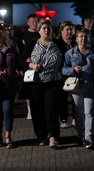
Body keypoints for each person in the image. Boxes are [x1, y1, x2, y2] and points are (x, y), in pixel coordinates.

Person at [20, 19, 63, 148]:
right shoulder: (32, 44)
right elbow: (22, 60)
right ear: (39, 30)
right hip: (36, 82)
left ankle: (53, 136)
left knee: (51, 109)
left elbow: (66, 59)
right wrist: (31, 65)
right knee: (37, 110)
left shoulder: (58, 44)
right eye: (43, 28)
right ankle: (42, 135)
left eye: (48, 28)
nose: (46, 30)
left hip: (53, 81)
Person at [61, 28, 94, 149]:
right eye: (81, 36)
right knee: (78, 113)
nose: (83, 39)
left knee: (89, 113)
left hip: (91, 87)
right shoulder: (69, 53)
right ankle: (80, 136)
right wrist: (72, 70)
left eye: (86, 36)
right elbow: (62, 69)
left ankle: (88, 139)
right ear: (76, 39)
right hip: (76, 87)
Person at [54, 21, 76, 129]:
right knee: (62, 98)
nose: (69, 32)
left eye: (71, 29)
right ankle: (63, 119)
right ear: (61, 31)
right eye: (67, 29)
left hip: (75, 73)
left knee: (75, 97)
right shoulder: (56, 43)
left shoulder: (76, 42)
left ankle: (76, 118)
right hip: (61, 74)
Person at [19, 14, 40, 120]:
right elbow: (21, 52)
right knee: (28, 89)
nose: (34, 23)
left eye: (36, 21)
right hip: (28, 66)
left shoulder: (41, 34)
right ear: (28, 23)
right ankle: (29, 111)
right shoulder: (23, 36)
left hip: (40, 66)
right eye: (32, 21)